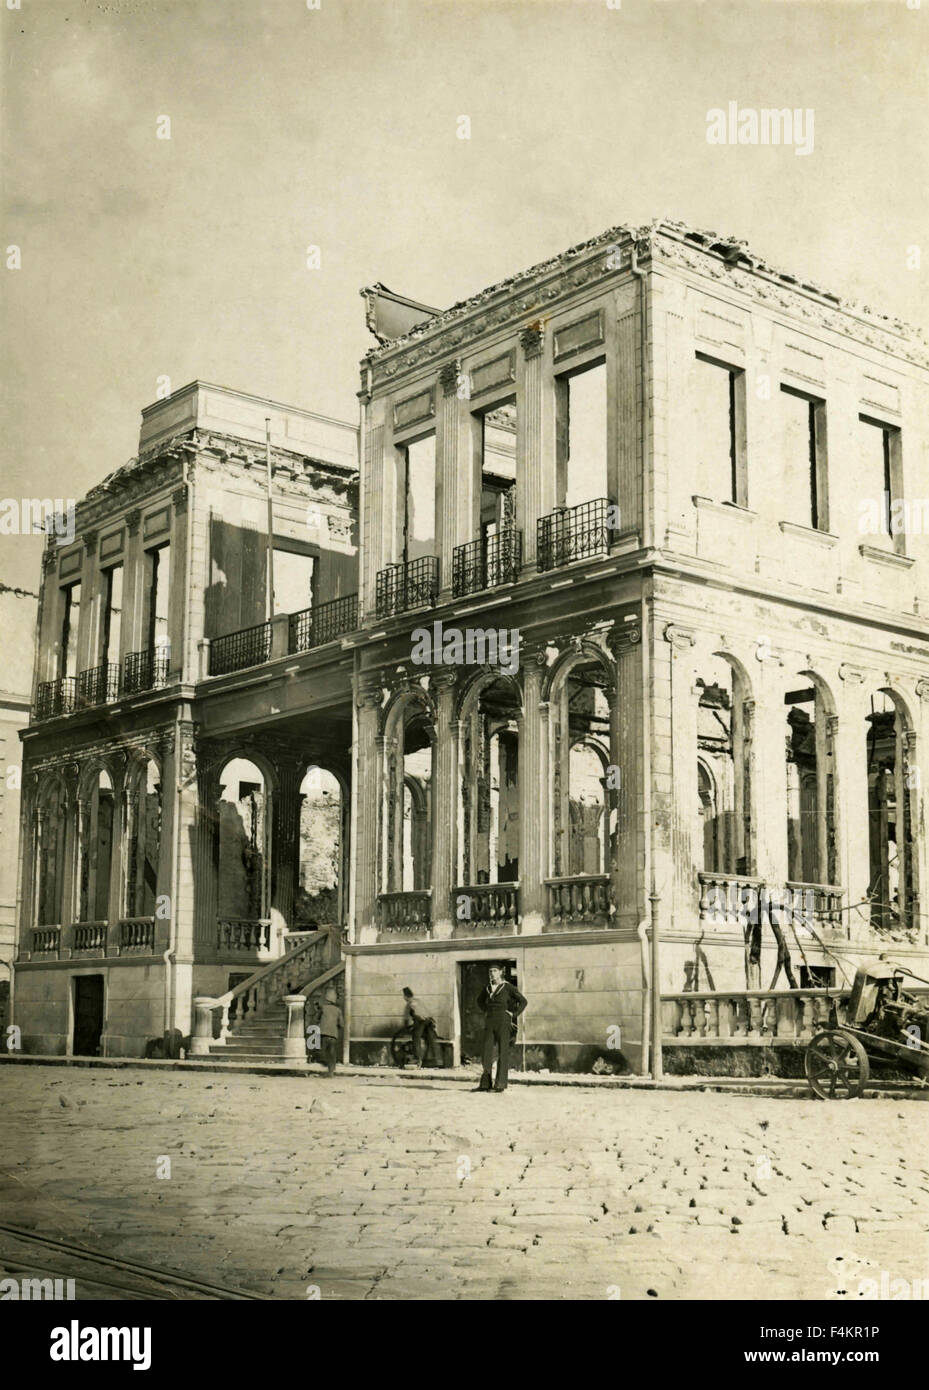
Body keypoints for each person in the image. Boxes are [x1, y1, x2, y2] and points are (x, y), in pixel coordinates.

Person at [477, 965, 527, 1093]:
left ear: (500, 972)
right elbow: (480, 1001)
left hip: (503, 1023)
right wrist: (486, 1010)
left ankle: (500, 1084)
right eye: (490, 971)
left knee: (502, 1052)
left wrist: (513, 1014)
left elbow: (523, 1001)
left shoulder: (508, 987)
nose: (492, 973)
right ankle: (485, 1084)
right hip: (490, 1022)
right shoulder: (487, 987)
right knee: (486, 1052)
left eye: (494, 971)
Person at [401, 986, 440, 1068]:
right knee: (430, 1038)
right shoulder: (418, 1001)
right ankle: (436, 1059)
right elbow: (427, 1012)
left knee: (416, 1037)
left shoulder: (409, 1003)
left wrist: (405, 1029)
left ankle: (418, 1059)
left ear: (405, 996)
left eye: (404, 996)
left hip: (420, 1021)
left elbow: (406, 1018)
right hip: (429, 1021)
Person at [315, 985, 343, 1076]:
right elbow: (341, 1024)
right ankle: (331, 1071)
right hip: (333, 1035)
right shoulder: (338, 1010)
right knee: (332, 1052)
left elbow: (316, 1019)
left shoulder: (323, 1008)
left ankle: (325, 1063)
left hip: (323, 1033)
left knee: (322, 1051)